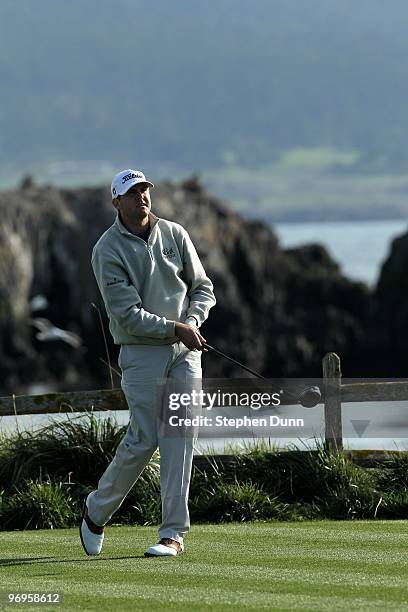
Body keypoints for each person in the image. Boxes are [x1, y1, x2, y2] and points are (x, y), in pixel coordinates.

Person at [80, 168, 216, 557]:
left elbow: (202, 288)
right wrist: (176, 328)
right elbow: (127, 315)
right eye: (132, 192)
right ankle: (96, 510)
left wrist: (191, 322)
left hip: (185, 351)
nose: (142, 196)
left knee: (179, 437)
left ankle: (173, 534)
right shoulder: (107, 250)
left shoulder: (175, 233)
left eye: (145, 190)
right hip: (141, 354)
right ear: (116, 202)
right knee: (144, 440)